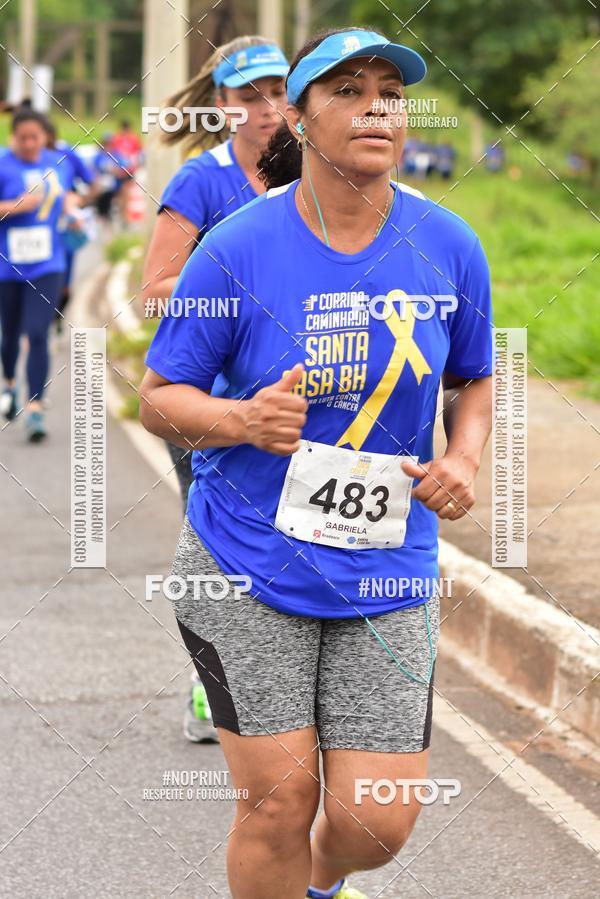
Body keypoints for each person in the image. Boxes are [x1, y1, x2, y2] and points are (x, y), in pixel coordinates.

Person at [140, 26, 493, 899]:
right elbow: (159, 396)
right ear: (298, 118)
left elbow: (478, 378)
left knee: (377, 820)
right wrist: (240, 418)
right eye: (347, 89)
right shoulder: (237, 248)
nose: (376, 104)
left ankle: (321, 881)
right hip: (246, 562)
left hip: (388, 568)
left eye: (391, 91)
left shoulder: (448, 244)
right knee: (277, 803)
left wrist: (465, 455)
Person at [142, 35, 289, 743]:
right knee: (220, 543)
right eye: (248, 96)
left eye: (278, 91)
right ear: (224, 106)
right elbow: (154, 291)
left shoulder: (316, 173)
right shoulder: (201, 182)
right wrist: (232, 277)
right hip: (210, 394)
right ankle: (214, 686)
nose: (267, 108)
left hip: (305, 397)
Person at [0, 108, 77, 440]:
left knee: (37, 332)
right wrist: (14, 206)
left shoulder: (58, 162)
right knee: (10, 335)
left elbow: (69, 193)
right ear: (12, 138)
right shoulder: (3, 164)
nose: (30, 143)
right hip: (7, 265)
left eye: (36, 137)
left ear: (44, 136)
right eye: (23, 138)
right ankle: (10, 384)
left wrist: (74, 212)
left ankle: (35, 407)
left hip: (48, 263)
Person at [43, 120, 97, 329]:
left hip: (65, 229)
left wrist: (77, 206)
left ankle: (55, 318)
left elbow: (92, 183)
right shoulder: (16, 159)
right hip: (34, 232)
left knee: (62, 281)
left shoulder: (65, 155)